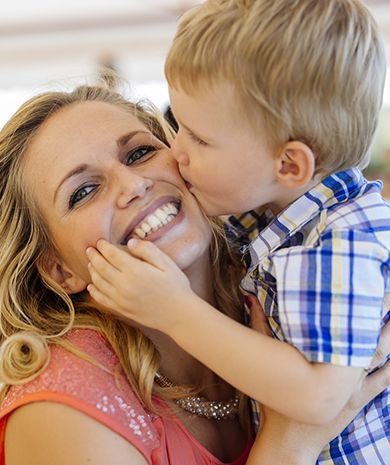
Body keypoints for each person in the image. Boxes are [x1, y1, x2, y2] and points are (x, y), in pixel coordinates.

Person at [3, 84, 388, 465]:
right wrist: (293, 442)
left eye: (140, 152)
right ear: (59, 271)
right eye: (84, 191)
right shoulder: (63, 412)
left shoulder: (285, 279)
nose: (134, 185)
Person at [85, 1, 390, 463]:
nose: (177, 151)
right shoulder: (279, 217)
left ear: (289, 164)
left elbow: (318, 399)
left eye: (200, 139)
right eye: (178, 127)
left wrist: (175, 310)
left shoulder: (335, 243)